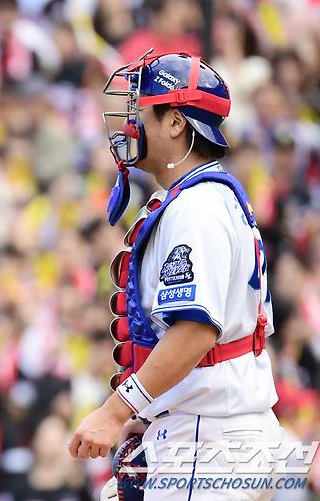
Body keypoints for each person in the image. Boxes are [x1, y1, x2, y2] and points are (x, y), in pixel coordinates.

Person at [68, 51, 283, 500]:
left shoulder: (198, 208)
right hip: (213, 431)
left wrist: (112, 412)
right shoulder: (202, 198)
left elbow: (194, 332)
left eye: (141, 109)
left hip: (208, 440)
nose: (129, 124)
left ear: (175, 122)